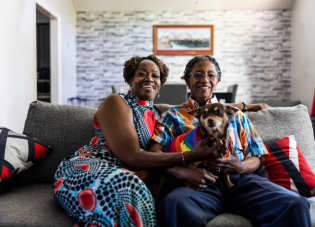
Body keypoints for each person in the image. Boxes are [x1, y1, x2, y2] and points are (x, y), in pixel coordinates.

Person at [54, 55, 238, 227]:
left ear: (160, 84)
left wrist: (249, 106)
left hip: (130, 176)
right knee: (129, 184)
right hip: (91, 167)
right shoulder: (117, 102)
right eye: (142, 74)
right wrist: (190, 156)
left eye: (155, 76)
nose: (149, 78)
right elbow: (131, 157)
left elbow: (199, 106)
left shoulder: (159, 113)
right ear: (130, 79)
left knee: (140, 187)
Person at [150, 55, 312, 227]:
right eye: (198, 74)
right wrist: (183, 172)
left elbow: (257, 155)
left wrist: (241, 166)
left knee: (296, 204)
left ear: (217, 81)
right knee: (174, 204)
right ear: (187, 80)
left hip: (240, 181)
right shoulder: (172, 116)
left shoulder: (236, 115)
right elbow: (153, 154)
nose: (205, 79)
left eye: (211, 75)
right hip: (199, 183)